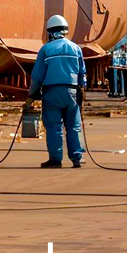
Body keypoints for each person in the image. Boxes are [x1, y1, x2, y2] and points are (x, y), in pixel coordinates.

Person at [28, 14, 86, 168]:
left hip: (52, 93)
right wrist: (81, 89)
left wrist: (32, 95)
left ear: (49, 32)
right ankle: (77, 158)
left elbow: (37, 76)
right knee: (73, 126)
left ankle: (55, 159)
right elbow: (82, 73)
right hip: (72, 92)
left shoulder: (46, 49)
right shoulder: (76, 48)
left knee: (54, 126)